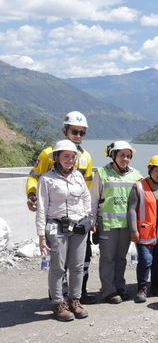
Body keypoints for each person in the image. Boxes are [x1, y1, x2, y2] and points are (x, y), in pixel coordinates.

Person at [26, 111, 95, 304]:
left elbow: (86, 188)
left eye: (82, 133)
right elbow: (35, 176)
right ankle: (58, 297)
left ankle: (79, 294)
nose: (78, 136)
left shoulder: (86, 157)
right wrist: (32, 194)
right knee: (59, 262)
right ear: (64, 129)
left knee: (81, 259)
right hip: (56, 218)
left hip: (78, 217)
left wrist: (86, 214)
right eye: (75, 131)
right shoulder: (48, 153)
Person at [36, 140, 91, 321]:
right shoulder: (46, 179)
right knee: (57, 267)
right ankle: (59, 304)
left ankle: (75, 300)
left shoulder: (78, 177)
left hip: (78, 226)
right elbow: (42, 208)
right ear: (57, 157)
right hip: (56, 226)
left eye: (72, 156)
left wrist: (87, 217)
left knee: (76, 266)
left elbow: (86, 197)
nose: (69, 159)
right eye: (65, 156)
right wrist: (41, 236)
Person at [90, 141, 142, 304]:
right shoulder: (101, 173)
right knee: (107, 258)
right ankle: (109, 290)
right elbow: (93, 198)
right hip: (107, 224)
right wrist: (93, 221)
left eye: (128, 156)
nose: (125, 159)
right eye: (121, 155)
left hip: (126, 225)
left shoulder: (136, 175)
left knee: (121, 258)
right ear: (113, 155)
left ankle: (120, 286)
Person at [128, 155, 158, 303]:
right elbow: (132, 209)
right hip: (144, 234)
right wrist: (133, 230)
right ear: (150, 169)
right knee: (146, 260)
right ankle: (142, 288)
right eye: (157, 170)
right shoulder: (139, 186)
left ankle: (155, 286)